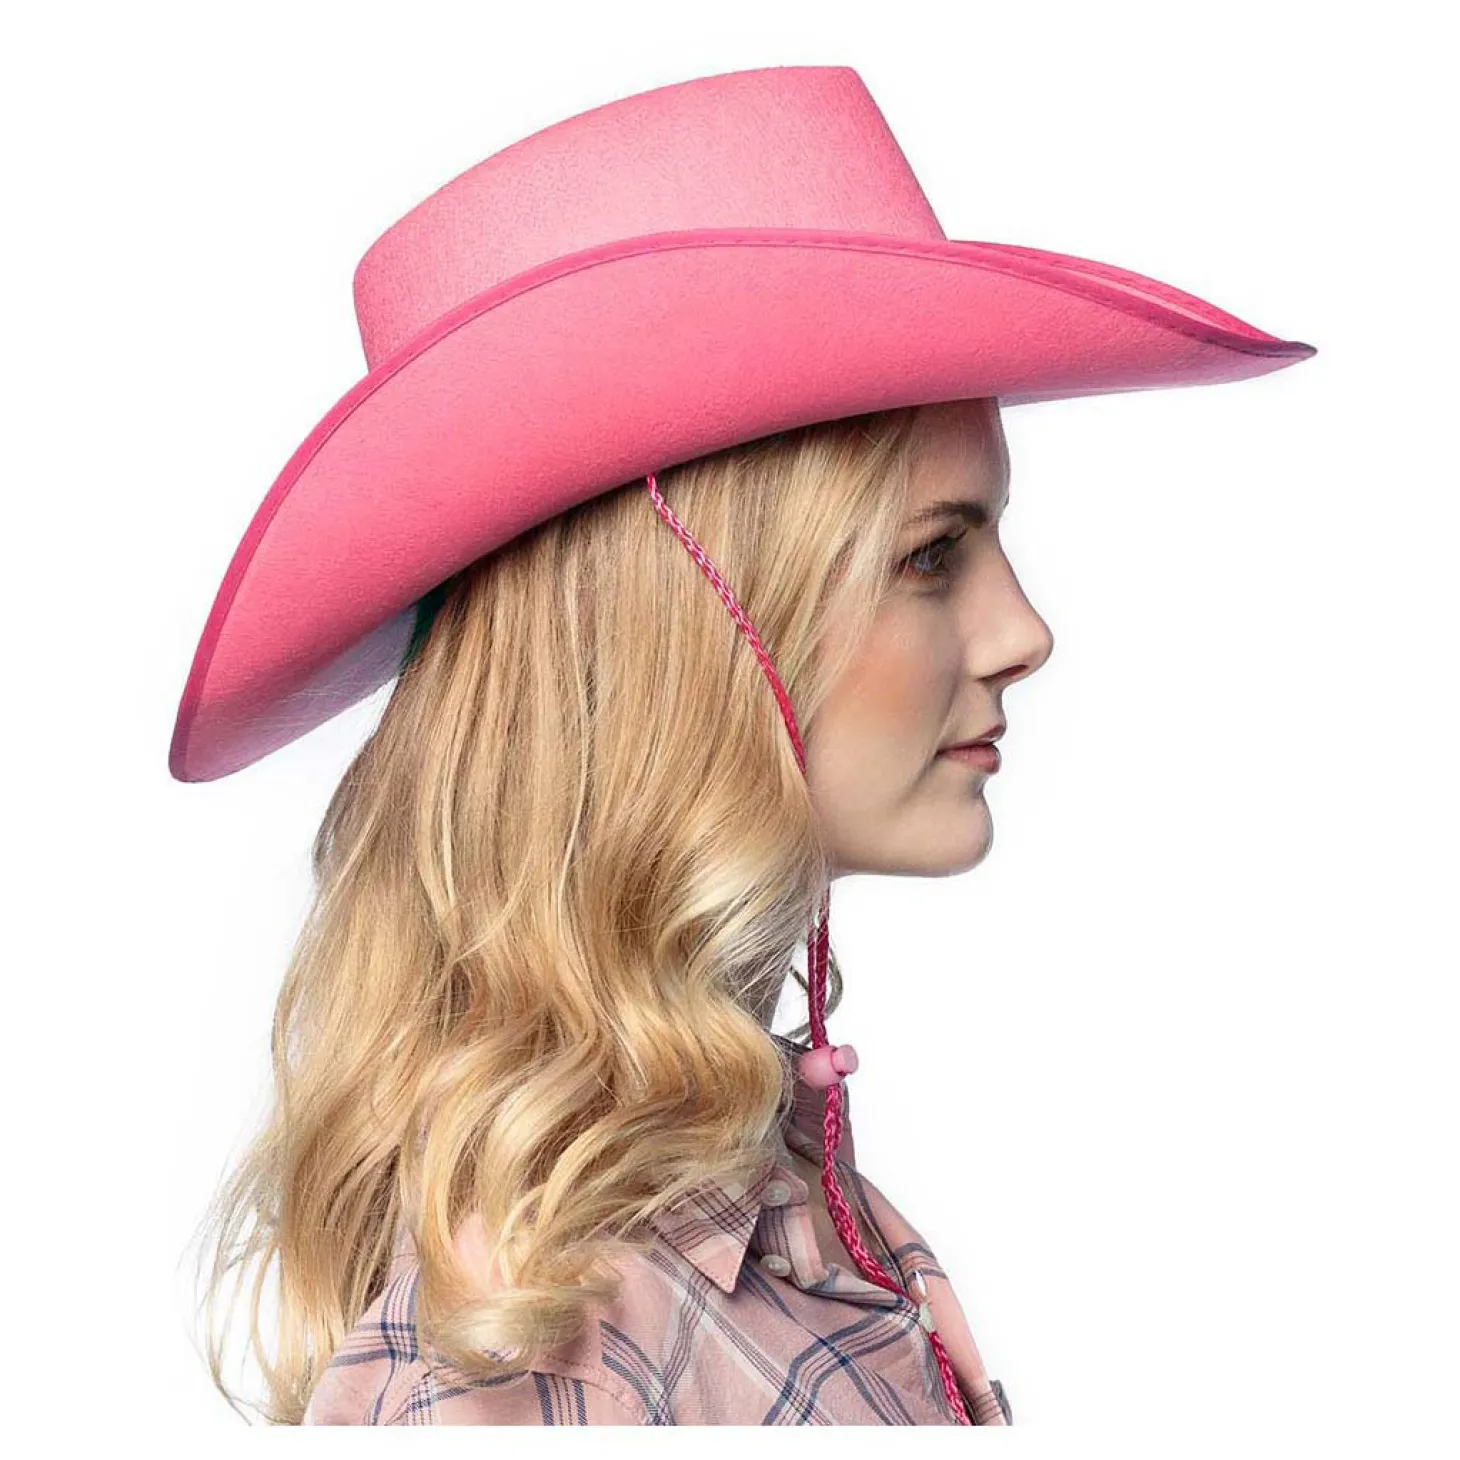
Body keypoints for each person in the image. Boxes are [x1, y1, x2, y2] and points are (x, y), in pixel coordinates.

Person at [171, 65, 1315, 1426]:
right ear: (689, 635)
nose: (1025, 633)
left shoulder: (777, 1217)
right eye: (931, 555)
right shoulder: (536, 1359)